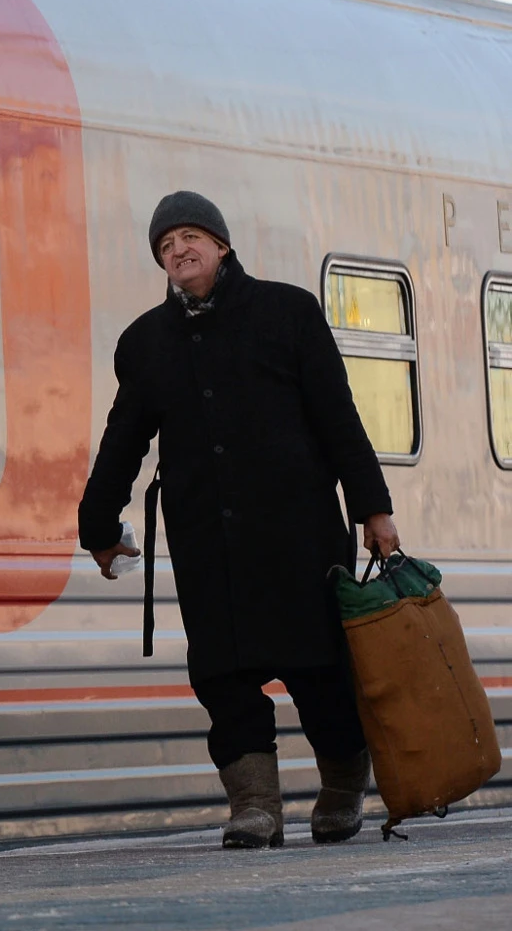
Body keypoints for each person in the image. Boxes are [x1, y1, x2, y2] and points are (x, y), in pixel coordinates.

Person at [77, 191, 400, 850]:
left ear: (221, 244)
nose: (179, 251)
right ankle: (255, 806)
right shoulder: (146, 344)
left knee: (320, 673)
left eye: (191, 237)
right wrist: (98, 529)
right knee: (222, 678)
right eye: (166, 246)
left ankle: (341, 788)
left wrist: (373, 509)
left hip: (299, 536)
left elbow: (340, 420)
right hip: (209, 543)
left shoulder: (289, 314)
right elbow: (122, 442)